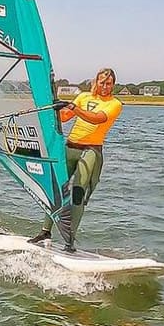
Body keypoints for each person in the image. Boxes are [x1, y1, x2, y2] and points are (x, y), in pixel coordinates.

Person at [31, 68, 123, 251]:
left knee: (78, 194)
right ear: (95, 81)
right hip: (70, 147)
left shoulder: (115, 103)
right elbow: (65, 118)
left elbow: (96, 119)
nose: (105, 86)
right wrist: (55, 108)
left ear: (113, 85)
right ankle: (45, 231)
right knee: (56, 188)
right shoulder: (83, 97)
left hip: (91, 151)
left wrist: (72, 107)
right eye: (102, 82)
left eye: (109, 83)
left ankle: (69, 241)